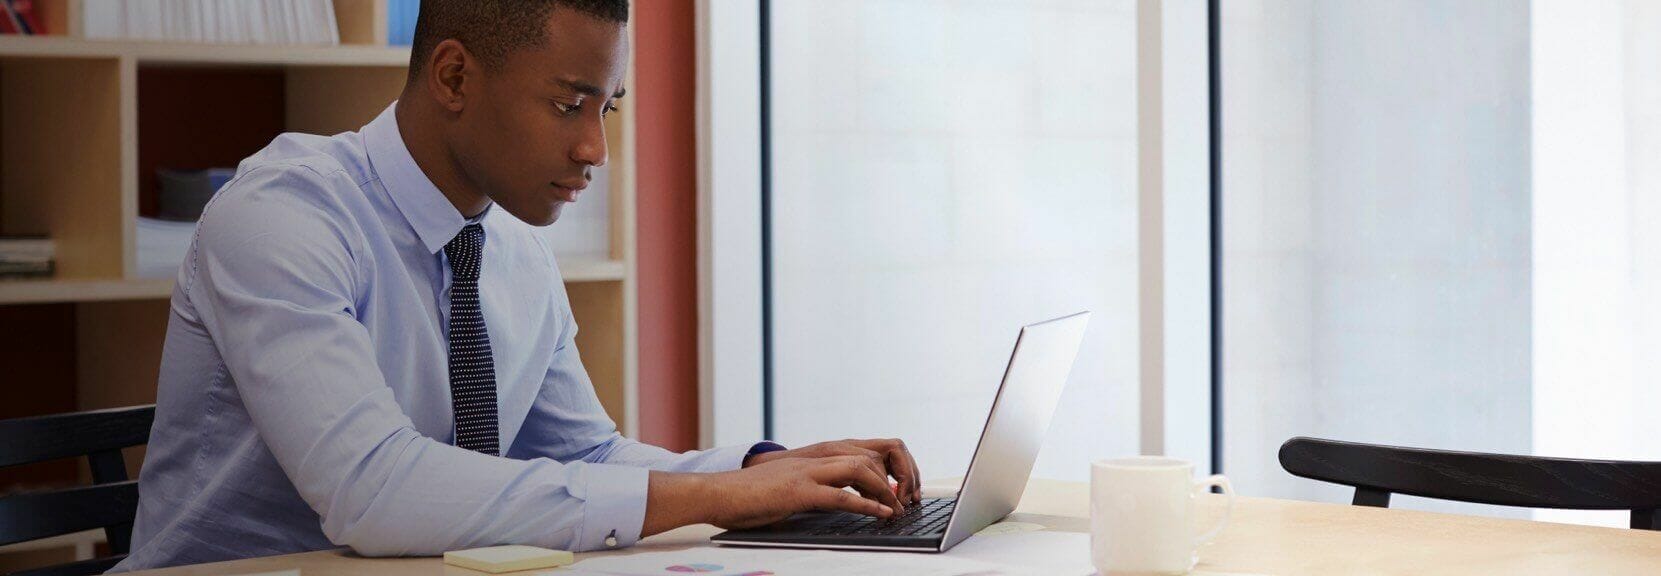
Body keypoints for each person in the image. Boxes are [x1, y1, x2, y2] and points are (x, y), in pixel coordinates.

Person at [111, 0, 919, 571]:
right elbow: (373, 491)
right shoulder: (280, 217)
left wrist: (763, 472)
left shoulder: (506, 241)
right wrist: (716, 496)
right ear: (454, 77)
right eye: (570, 104)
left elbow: (585, 453)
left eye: (607, 106)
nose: (595, 150)